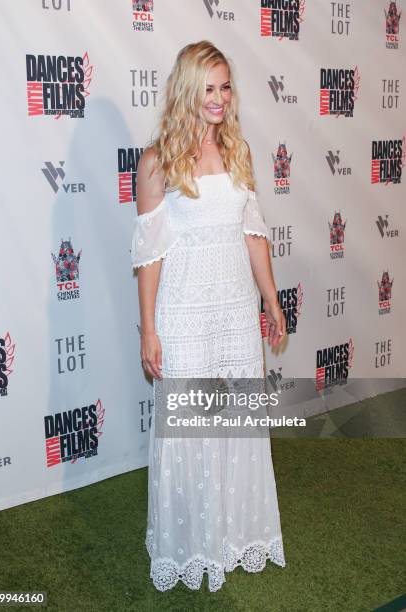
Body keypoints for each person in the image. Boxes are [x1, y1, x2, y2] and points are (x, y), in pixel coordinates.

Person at [130, 40, 287, 592]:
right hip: (185, 309)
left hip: (235, 308)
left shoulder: (239, 151)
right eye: (208, 88)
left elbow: (253, 234)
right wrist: (149, 328)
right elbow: (149, 257)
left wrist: (270, 299)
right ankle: (190, 543)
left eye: (224, 87)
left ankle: (235, 535)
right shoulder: (157, 162)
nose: (218, 98)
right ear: (186, 91)